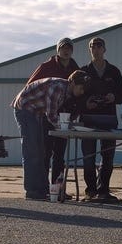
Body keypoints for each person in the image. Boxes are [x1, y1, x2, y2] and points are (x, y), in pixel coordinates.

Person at [11, 70, 90, 200]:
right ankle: (32, 190)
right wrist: (64, 130)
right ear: (73, 83)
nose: (82, 92)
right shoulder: (58, 88)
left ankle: (42, 189)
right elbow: (52, 115)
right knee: (32, 151)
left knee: (41, 152)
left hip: (36, 112)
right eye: (81, 88)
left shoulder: (68, 92)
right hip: (25, 108)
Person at [26, 37, 81, 190]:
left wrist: (74, 115)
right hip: (46, 115)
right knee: (45, 152)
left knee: (59, 155)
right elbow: (31, 86)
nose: (66, 50)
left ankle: (57, 188)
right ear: (58, 50)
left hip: (64, 117)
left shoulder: (75, 68)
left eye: (69, 48)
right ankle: (43, 187)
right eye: (63, 47)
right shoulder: (46, 66)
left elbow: (79, 93)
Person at [78, 36, 122, 202]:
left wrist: (114, 97)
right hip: (88, 120)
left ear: (104, 49)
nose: (96, 49)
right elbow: (76, 95)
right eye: (93, 46)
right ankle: (90, 191)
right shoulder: (83, 71)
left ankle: (103, 190)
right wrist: (86, 103)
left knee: (107, 157)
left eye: (99, 46)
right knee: (88, 157)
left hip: (108, 118)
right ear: (89, 50)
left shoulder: (114, 71)